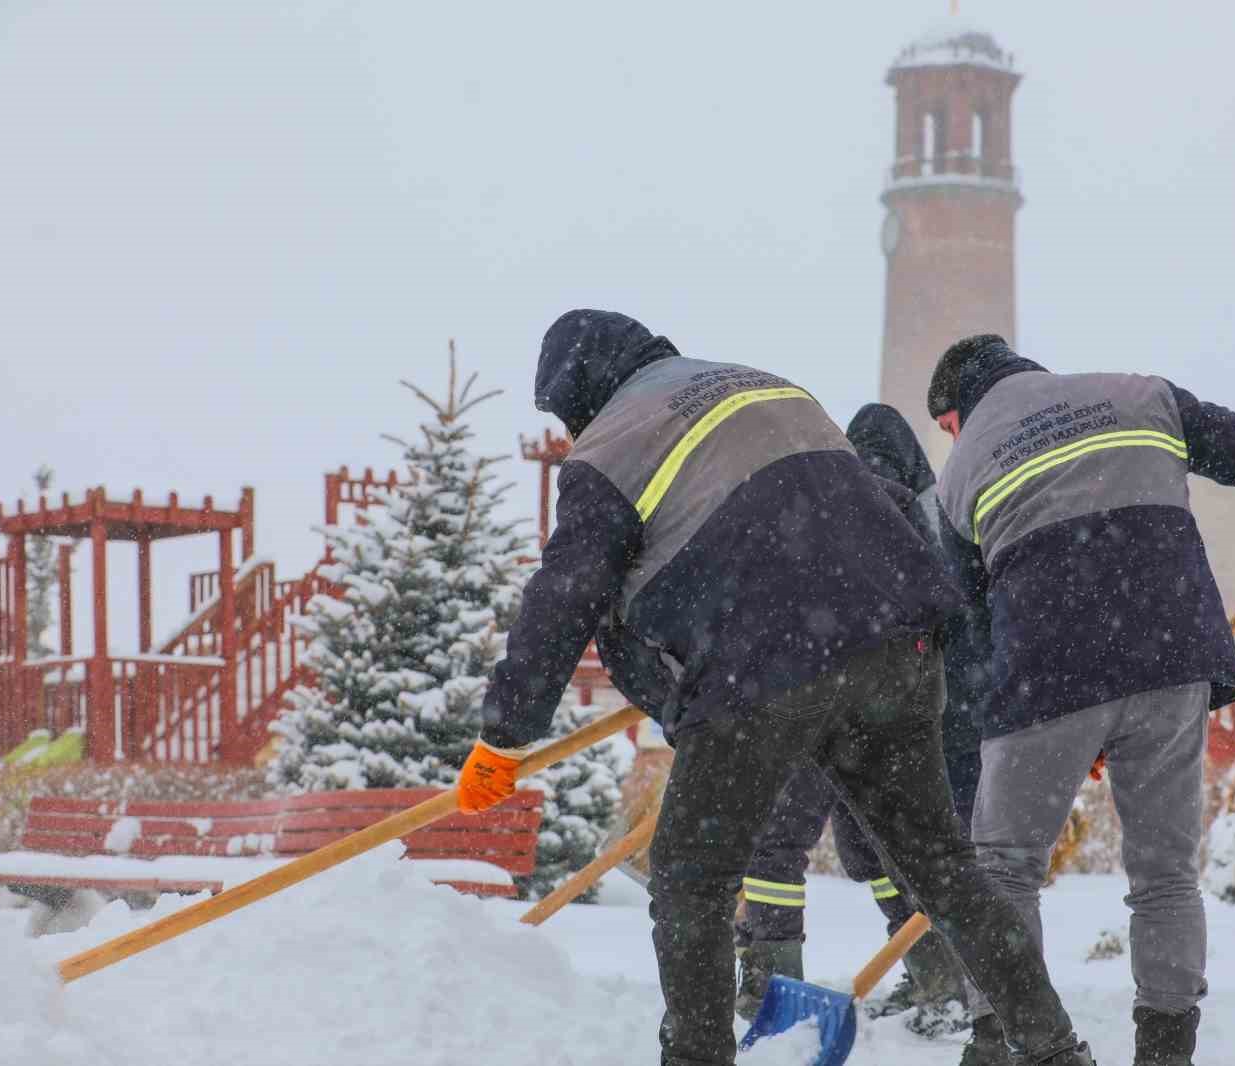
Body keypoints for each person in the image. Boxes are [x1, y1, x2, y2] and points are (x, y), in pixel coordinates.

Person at [454, 310, 1094, 1066]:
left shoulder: (611, 447)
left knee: (692, 882)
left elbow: (569, 591)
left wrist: (505, 732)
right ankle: (1055, 1052)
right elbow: (886, 503)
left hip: (761, 666)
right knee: (946, 871)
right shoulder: (769, 389)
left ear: (580, 393)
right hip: (899, 645)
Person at [926, 334, 1235, 1066]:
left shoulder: (959, 476)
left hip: (1045, 675)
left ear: (955, 413)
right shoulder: (1142, 394)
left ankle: (1005, 1044)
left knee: (1002, 870)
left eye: (947, 428)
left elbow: (971, 635)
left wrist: (1033, 729)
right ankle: (1166, 1052)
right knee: (1165, 872)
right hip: (1172, 661)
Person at [731, 404, 984, 1033]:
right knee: (874, 842)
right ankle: (939, 978)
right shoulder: (935, 513)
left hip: (821, 693)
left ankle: (769, 986)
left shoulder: (834, 499)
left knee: (779, 837)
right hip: (897, 703)